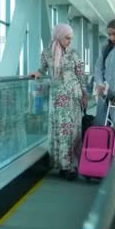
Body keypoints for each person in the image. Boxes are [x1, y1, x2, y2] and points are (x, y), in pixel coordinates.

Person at [31, 23, 87, 181]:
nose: (69, 41)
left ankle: (72, 165)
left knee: (73, 131)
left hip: (73, 97)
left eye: (71, 38)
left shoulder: (74, 54)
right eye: (67, 38)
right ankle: (64, 165)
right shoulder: (47, 53)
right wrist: (37, 74)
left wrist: (84, 94)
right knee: (61, 131)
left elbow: (80, 74)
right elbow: (42, 70)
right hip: (57, 98)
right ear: (59, 36)